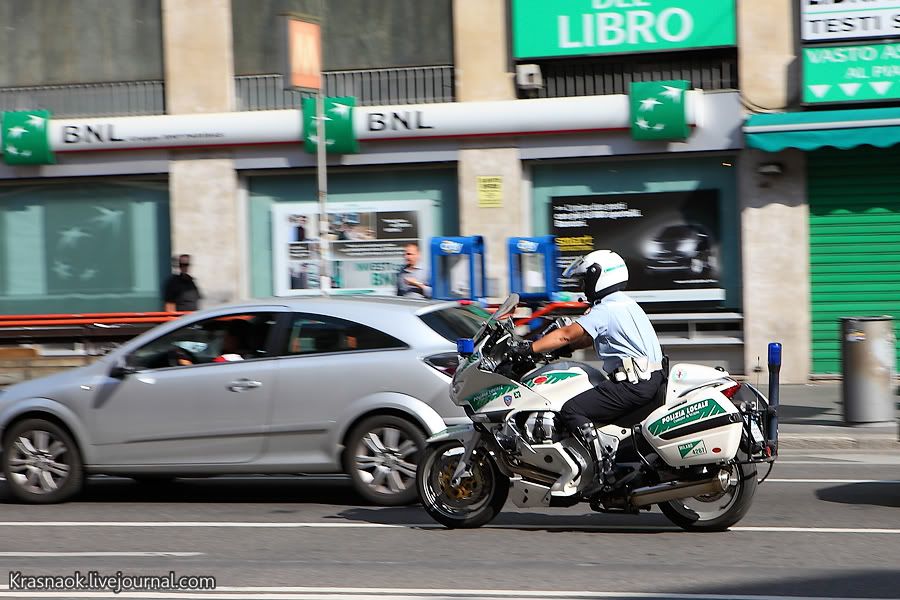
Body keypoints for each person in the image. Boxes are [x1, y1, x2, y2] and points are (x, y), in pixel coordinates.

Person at [515, 249, 664, 491]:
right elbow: (585, 337)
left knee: (572, 409)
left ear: (599, 277)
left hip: (632, 384)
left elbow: (565, 334)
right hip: (649, 378)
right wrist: (565, 347)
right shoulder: (624, 304)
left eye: (586, 280)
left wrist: (527, 349)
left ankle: (603, 470)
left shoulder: (605, 309)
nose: (584, 286)